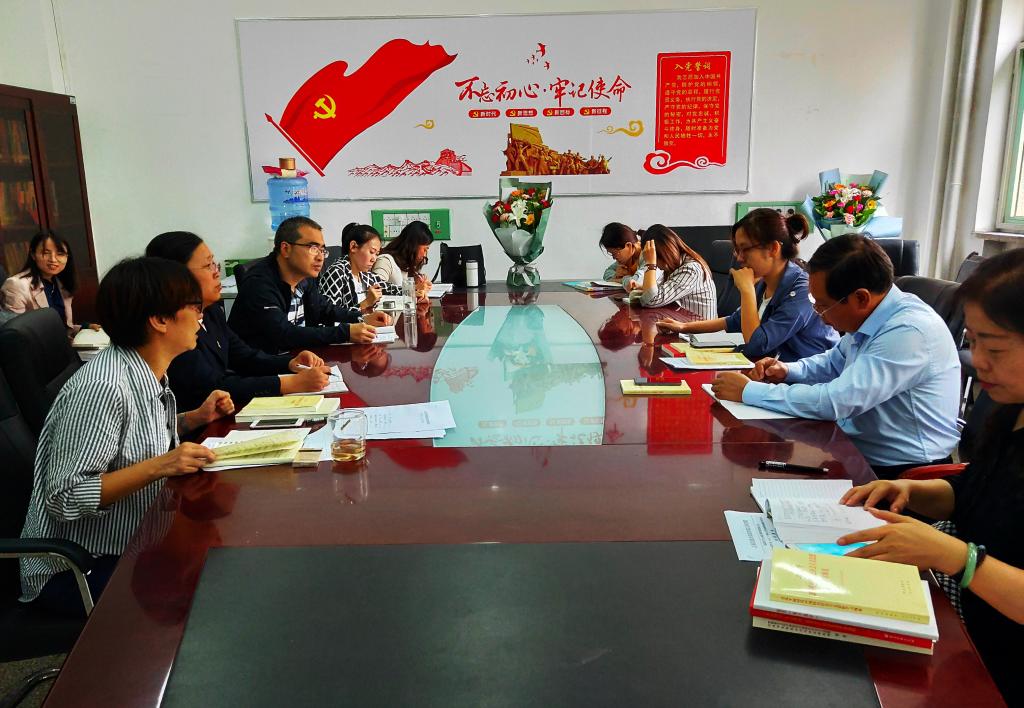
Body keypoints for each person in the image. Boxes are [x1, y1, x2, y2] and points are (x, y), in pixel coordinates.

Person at [836, 248, 1024, 704]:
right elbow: (976, 488)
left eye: (995, 347)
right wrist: (911, 489)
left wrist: (954, 556)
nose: (977, 360)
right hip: (965, 621)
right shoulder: (1009, 409)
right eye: (973, 341)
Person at [19, 257, 234, 613]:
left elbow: (132, 438)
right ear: (159, 319)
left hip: (138, 538)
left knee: (222, 557)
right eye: (195, 307)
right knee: (211, 591)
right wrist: (161, 465)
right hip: (78, 566)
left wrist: (193, 419)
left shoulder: (147, 372)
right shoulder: (103, 387)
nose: (202, 316)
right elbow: (65, 497)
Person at [710, 233, 960, 478]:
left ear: (860, 298)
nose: (819, 314)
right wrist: (787, 370)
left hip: (903, 474)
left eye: (822, 305)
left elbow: (836, 401)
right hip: (854, 451)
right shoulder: (873, 315)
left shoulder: (907, 332)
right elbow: (833, 362)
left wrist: (749, 392)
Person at [145, 231, 332, 411]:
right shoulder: (171, 329)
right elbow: (210, 387)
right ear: (174, 277)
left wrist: (289, 363)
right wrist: (289, 383)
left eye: (215, 264)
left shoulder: (211, 311)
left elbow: (243, 356)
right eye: (208, 266)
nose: (216, 273)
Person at [656, 208, 838, 361]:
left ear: (773, 248)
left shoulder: (801, 290)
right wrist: (684, 327)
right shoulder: (764, 282)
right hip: (771, 372)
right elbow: (733, 320)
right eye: (737, 250)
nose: (739, 257)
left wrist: (747, 291)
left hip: (807, 382)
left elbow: (756, 345)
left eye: (744, 249)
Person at [228, 217, 389, 354]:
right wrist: (346, 332)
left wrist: (361, 317)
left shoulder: (305, 277)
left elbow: (324, 309)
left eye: (322, 250)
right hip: (265, 369)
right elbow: (284, 334)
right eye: (313, 248)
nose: (321, 257)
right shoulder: (259, 283)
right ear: (286, 249)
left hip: (300, 358)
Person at [2, 230, 100, 332]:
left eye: (60, 253)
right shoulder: (16, 285)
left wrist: (82, 328)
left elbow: (60, 327)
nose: (53, 259)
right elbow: (15, 333)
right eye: (46, 253)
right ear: (33, 255)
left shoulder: (59, 282)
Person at [636, 224, 717, 318]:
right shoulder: (675, 266)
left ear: (664, 253)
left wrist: (650, 264)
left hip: (698, 326)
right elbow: (657, 291)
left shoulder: (691, 270)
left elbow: (651, 300)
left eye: (654, 259)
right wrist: (642, 287)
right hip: (682, 322)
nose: (656, 265)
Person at [320, 223, 401, 312]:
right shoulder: (336, 273)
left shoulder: (365, 274)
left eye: (377, 254)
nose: (374, 259)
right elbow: (331, 316)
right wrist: (367, 302)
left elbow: (389, 288)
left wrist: (410, 290)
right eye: (371, 252)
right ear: (353, 246)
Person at [373, 219, 434, 299]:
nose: (425, 255)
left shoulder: (406, 264)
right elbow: (376, 288)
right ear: (413, 246)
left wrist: (416, 282)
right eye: (425, 249)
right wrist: (414, 288)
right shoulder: (385, 260)